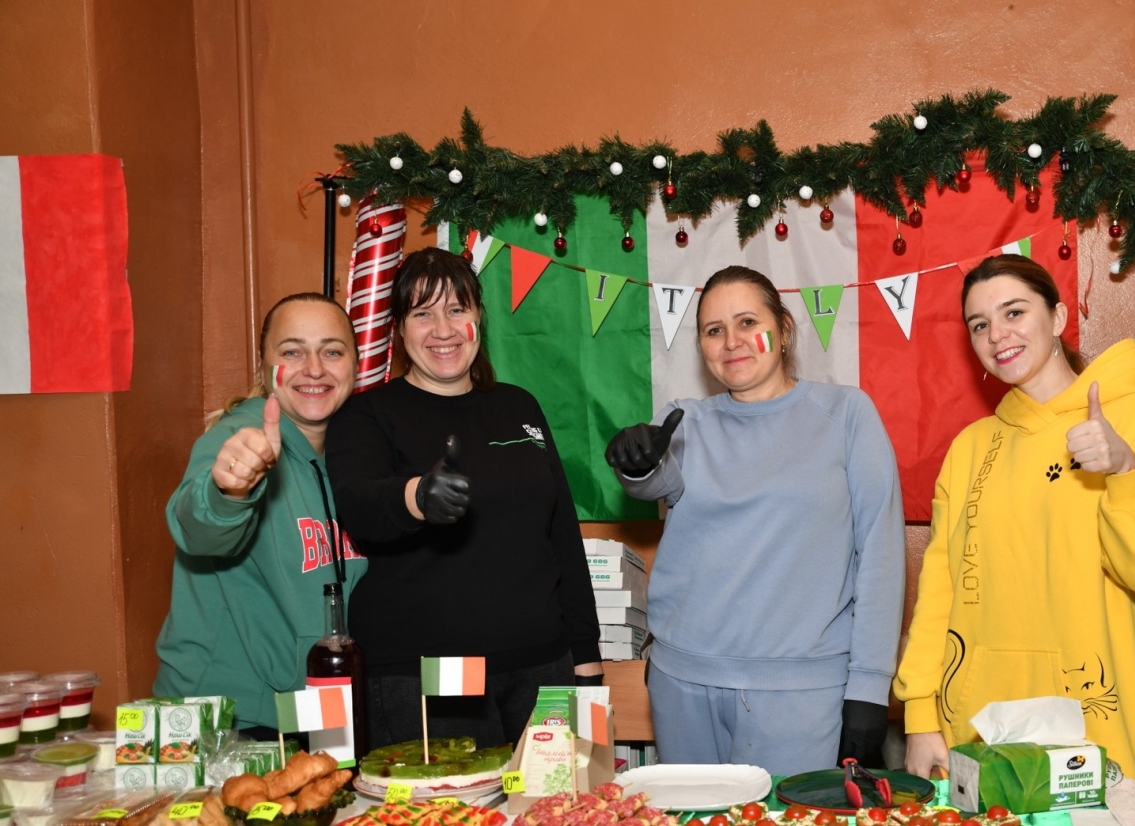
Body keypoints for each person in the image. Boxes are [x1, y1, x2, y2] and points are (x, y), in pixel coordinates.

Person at [895, 254, 1135, 780]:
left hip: (1090, 724)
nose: (997, 334)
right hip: (977, 727)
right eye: (979, 325)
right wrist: (920, 715)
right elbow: (939, 592)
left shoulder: (1127, 416)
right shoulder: (970, 449)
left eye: (1014, 312)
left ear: (1057, 317)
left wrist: (1124, 468)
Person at [607, 266, 905, 775]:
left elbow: (881, 556)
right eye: (714, 330)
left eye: (748, 322)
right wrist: (635, 465)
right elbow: (653, 481)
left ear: (783, 330)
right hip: (681, 687)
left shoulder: (847, 415)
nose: (732, 341)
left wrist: (870, 687)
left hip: (803, 694)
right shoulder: (683, 421)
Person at [325, 247, 601, 749]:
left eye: (457, 310)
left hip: (543, 667)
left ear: (479, 319)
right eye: (422, 314)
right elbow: (359, 505)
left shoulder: (519, 406)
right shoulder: (367, 416)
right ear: (399, 329)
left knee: (556, 800)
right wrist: (417, 496)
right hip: (427, 676)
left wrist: (585, 657)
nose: (443, 330)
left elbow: (561, 534)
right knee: (454, 804)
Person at [154, 293, 365, 735]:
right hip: (228, 720)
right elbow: (198, 529)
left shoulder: (358, 454)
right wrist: (229, 492)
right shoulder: (240, 436)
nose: (314, 368)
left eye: (332, 351)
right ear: (263, 366)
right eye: (292, 352)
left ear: (355, 364)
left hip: (317, 709)